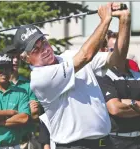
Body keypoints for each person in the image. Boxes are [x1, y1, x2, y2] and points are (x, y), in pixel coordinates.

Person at [12, 2, 131, 149]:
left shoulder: (69, 55)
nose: (44, 49)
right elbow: (85, 56)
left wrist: (124, 21)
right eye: (35, 49)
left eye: (43, 42)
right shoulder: (40, 78)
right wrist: (105, 20)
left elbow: (117, 60)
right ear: (26, 59)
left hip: (104, 143)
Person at [3, 46, 40, 149]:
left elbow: (35, 117)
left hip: (25, 142)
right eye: (11, 57)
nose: (15, 60)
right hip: (3, 142)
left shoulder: (28, 85)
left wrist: (34, 113)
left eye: (17, 57)